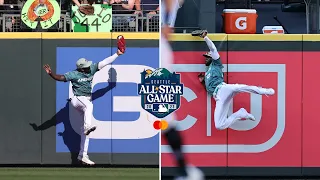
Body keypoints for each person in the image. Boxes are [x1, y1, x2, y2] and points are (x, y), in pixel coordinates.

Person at [43, 49, 124, 165]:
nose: (88, 67)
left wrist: (117, 54)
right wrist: (51, 74)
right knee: (89, 106)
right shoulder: (74, 74)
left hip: (86, 100)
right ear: (81, 68)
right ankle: (87, 127)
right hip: (77, 100)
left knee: (85, 133)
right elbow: (60, 78)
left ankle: (83, 155)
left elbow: (105, 62)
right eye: (85, 66)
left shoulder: (92, 69)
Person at [196, 30, 275, 130]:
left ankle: (264, 91)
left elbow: (213, 49)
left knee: (239, 87)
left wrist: (205, 38)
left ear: (212, 58)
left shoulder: (216, 63)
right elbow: (209, 88)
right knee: (218, 125)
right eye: (205, 57)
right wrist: (203, 82)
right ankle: (240, 114)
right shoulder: (207, 73)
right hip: (218, 98)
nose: (205, 59)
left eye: (207, 57)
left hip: (222, 88)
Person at [161, 1, 204, 180]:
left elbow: (172, 5)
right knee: (163, 118)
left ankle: (184, 169)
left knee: (164, 117)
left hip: (158, 47)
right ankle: (184, 169)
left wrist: (167, 22)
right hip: (157, 45)